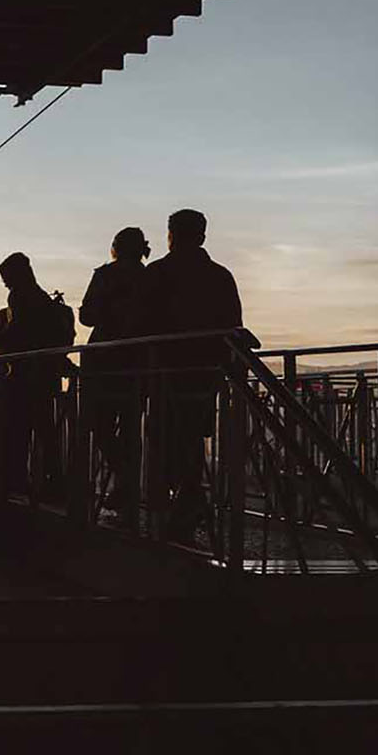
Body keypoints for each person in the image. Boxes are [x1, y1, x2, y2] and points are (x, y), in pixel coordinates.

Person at [138, 208, 245, 540]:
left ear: (171, 234)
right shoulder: (220, 276)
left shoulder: (157, 273)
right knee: (189, 438)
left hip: (165, 371)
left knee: (165, 438)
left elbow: (141, 322)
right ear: (202, 236)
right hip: (206, 373)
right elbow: (232, 323)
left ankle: (181, 504)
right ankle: (188, 503)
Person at [0, 252, 74, 498]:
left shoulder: (19, 297)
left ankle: (14, 480)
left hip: (23, 377)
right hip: (44, 375)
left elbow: (18, 331)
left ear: (17, 274)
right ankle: (52, 481)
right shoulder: (42, 299)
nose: (4, 282)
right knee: (44, 430)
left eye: (6, 277)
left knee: (16, 431)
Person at [79, 227, 150, 520]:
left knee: (100, 423)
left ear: (116, 248)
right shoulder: (150, 277)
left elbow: (86, 315)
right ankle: (127, 487)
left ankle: (124, 481)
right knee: (131, 428)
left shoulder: (105, 276)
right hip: (139, 363)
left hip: (105, 363)